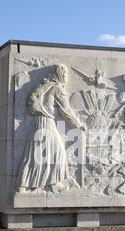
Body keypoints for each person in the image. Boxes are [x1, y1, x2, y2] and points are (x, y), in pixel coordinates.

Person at [18, 64, 85, 193]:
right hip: (47, 123)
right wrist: (78, 125)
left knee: (36, 155)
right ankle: (52, 183)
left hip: (38, 123)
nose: (66, 78)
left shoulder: (46, 86)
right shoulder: (57, 88)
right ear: (59, 75)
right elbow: (66, 111)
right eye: (65, 75)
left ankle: (25, 185)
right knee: (58, 153)